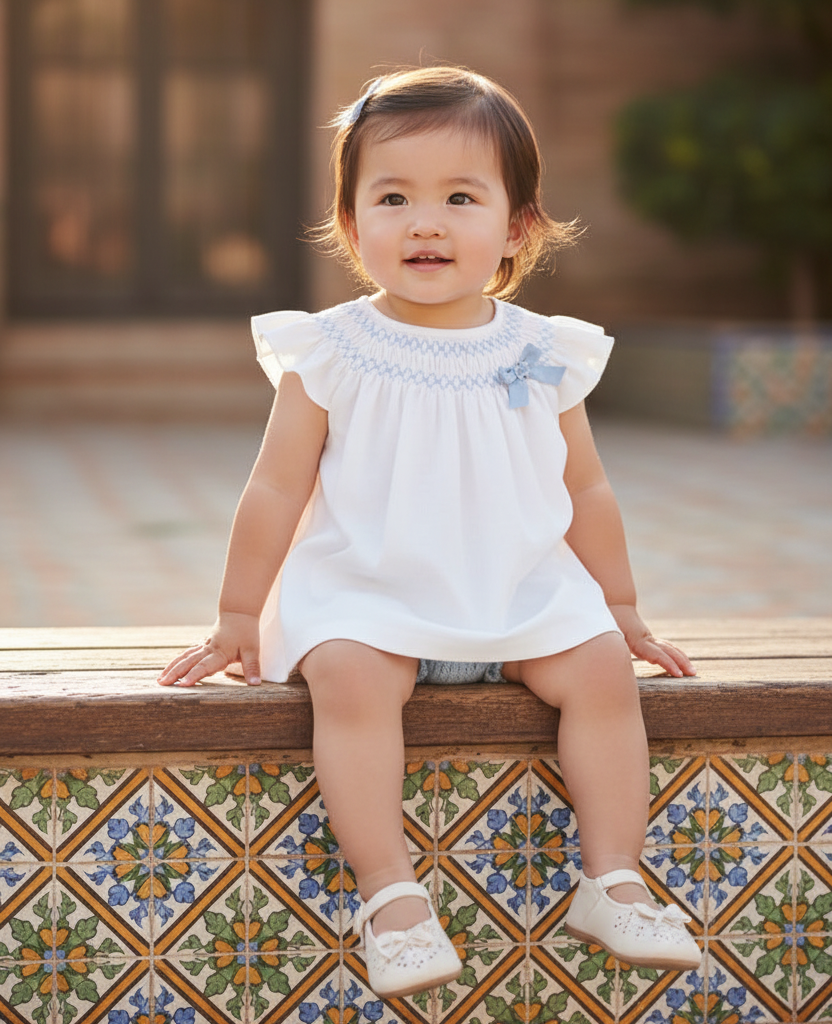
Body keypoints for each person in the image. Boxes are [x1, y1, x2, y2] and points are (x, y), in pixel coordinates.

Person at [158, 65, 701, 1000]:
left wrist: (620, 606)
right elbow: (275, 486)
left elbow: (588, 486)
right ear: (351, 220)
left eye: (460, 197)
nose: (425, 222)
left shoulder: (538, 350)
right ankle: (392, 897)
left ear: (516, 226)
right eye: (393, 197)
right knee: (352, 682)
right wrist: (238, 613)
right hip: (373, 593)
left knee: (605, 673)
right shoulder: (330, 348)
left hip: (519, 593)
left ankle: (613, 876)